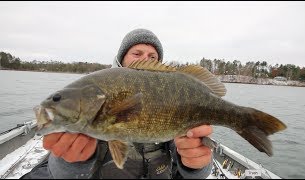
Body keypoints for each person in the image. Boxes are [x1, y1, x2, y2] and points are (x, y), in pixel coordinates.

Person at [21, 28, 214, 179]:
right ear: (121, 60)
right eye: (137, 53)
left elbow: (193, 170)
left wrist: (196, 164)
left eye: (152, 57)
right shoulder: (95, 95)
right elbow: (59, 175)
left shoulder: (173, 96)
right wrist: (72, 163)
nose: (145, 59)